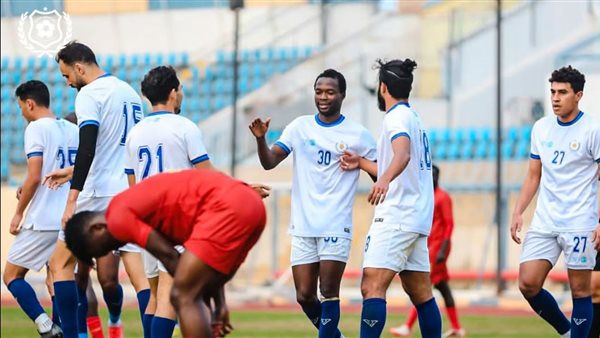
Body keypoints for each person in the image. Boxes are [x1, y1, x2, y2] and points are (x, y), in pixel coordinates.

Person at [62, 169, 267, 338]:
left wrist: (199, 296)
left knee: (181, 295)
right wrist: (218, 303)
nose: (108, 252)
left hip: (227, 208)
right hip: (250, 205)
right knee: (192, 291)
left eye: (101, 250)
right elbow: (197, 264)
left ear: (96, 228)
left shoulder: (118, 218)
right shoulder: (132, 206)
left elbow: (170, 258)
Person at [249, 68, 376, 338]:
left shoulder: (358, 134)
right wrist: (261, 139)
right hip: (303, 225)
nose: (323, 97)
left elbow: (381, 171)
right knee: (305, 295)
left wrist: (362, 163)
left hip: (335, 224)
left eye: (330, 92)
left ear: (342, 95)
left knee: (328, 293)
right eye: (319, 92)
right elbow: (270, 162)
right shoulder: (299, 126)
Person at [46, 40, 150, 338]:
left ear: (79, 67)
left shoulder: (89, 94)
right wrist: (70, 172)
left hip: (96, 193)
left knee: (61, 263)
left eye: (67, 76)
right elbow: (119, 147)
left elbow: (88, 147)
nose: (67, 82)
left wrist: (72, 198)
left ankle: (70, 335)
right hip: (127, 192)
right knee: (139, 275)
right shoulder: (128, 92)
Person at [340, 58, 442, 338]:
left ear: (382, 87)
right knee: (420, 292)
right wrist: (362, 162)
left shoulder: (395, 117)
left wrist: (383, 181)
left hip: (397, 215)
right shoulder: (414, 118)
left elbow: (403, 155)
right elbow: (400, 163)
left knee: (371, 285)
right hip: (415, 216)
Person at [510, 65, 600, 338]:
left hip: (579, 222)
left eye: (562, 92)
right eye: (552, 92)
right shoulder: (541, 128)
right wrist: (518, 211)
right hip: (546, 220)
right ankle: (566, 331)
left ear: (579, 95)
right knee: (528, 283)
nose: (555, 98)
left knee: (581, 291)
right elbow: (533, 176)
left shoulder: (593, 129)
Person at [126, 65, 214, 338]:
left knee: (154, 294)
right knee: (169, 295)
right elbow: (208, 176)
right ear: (174, 93)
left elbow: (132, 185)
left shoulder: (135, 133)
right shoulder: (185, 127)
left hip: (146, 222)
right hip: (176, 221)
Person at [2, 80, 78, 337]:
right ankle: (65, 332)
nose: (22, 112)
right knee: (59, 277)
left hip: (44, 217)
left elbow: (35, 175)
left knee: (12, 275)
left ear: (30, 103)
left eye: (21, 106)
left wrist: (18, 213)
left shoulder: (36, 128)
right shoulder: (71, 128)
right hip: (70, 216)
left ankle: (45, 325)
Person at [389, 164, 464, 337]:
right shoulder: (425, 196)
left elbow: (449, 224)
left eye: (436, 175)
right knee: (443, 288)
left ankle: (408, 326)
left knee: (422, 287)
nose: (433, 178)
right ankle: (457, 328)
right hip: (427, 245)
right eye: (432, 174)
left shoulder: (443, 197)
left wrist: (443, 251)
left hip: (438, 248)